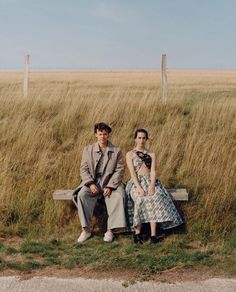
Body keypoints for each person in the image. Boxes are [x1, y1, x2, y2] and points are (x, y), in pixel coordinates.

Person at [126, 128, 183, 244]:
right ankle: (137, 233)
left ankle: (153, 235)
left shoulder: (151, 154)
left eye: (144, 138)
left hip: (150, 181)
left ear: (147, 139)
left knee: (155, 198)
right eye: (139, 138)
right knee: (140, 199)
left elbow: (153, 172)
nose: (141, 140)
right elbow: (132, 173)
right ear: (135, 139)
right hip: (136, 183)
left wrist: (152, 186)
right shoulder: (130, 154)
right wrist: (139, 188)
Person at [74, 122, 126, 243]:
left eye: (105, 134)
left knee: (119, 196)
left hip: (110, 183)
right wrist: (90, 184)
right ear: (96, 135)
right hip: (92, 183)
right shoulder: (88, 150)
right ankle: (86, 230)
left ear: (108, 135)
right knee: (82, 195)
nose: (103, 136)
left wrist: (110, 186)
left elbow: (119, 170)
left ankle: (110, 230)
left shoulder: (116, 151)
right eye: (100, 134)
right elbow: (83, 169)